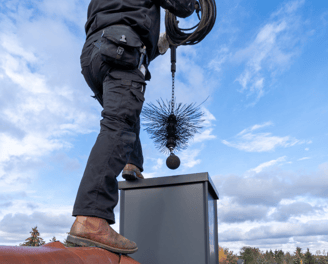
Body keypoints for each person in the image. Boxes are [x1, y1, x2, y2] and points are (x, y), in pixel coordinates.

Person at [67, 0, 195, 255]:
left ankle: (132, 163)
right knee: (119, 123)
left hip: (95, 53)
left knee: (125, 112)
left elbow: (125, 17)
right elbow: (182, 5)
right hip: (120, 49)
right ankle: (91, 218)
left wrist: (161, 43)